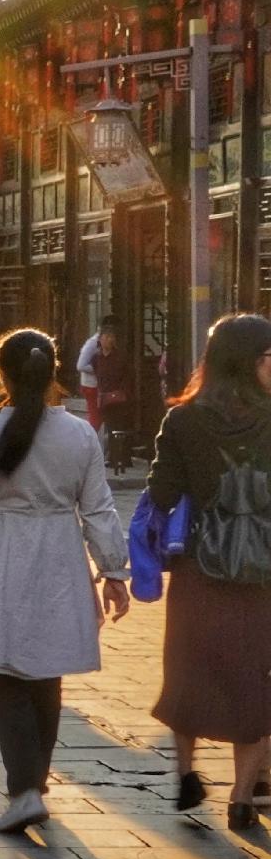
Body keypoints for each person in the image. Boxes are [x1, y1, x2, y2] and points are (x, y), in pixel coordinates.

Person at [0, 330, 132, 836]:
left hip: (3, 554)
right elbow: (97, 508)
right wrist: (114, 571)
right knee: (46, 674)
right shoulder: (78, 435)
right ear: (53, 371)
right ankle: (36, 782)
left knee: (5, 675)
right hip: (59, 555)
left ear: (1, 374)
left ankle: (24, 790)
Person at [148, 313, 271, 829]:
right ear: (251, 361)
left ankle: (185, 774)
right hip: (264, 573)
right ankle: (242, 797)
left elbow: (160, 492)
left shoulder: (183, 419)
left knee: (188, 672)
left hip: (200, 564)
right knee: (255, 678)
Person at [83, 321, 131, 471]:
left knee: (116, 427)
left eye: (111, 337)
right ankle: (113, 457)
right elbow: (88, 367)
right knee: (108, 427)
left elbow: (128, 376)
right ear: (100, 339)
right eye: (106, 337)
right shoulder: (97, 357)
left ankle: (118, 458)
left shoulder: (121, 357)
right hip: (103, 397)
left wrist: (121, 392)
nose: (109, 340)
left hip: (118, 397)